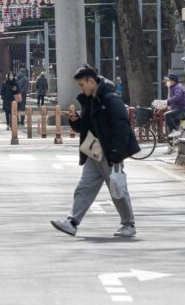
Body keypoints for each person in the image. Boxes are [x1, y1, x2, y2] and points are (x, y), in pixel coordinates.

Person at [52, 66, 139, 238]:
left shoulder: (111, 100)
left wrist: (116, 153)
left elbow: (121, 128)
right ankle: (72, 222)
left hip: (110, 152)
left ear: (91, 81)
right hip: (94, 151)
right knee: (84, 186)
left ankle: (128, 224)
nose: (81, 88)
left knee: (117, 188)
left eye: (82, 84)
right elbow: (86, 127)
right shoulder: (89, 100)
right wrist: (75, 120)